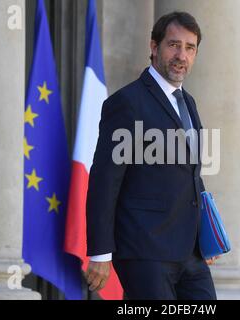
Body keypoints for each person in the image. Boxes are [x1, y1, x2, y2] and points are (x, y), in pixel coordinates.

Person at [85, 11, 217, 300]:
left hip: (190, 253)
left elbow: (192, 174)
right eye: (174, 45)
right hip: (145, 251)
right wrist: (99, 252)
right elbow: (104, 181)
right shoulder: (127, 103)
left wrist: (205, 234)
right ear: (154, 47)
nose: (181, 55)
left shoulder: (189, 103)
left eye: (190, 47)